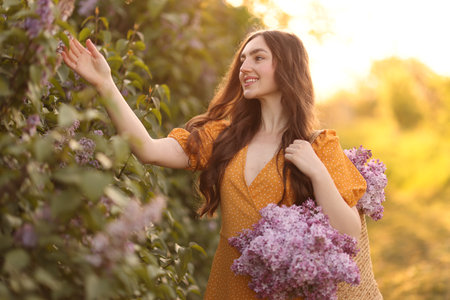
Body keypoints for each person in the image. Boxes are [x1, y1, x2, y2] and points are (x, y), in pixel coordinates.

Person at [61, 29, 380, 299]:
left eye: (258, 57)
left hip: (285, 289)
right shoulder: (224, 138)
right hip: (229, 283)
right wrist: (106, 84)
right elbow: (148, 149)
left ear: (288, 68)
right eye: (243, 58)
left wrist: (317, 171)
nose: (244, 66)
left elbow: (349, 231)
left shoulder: (319, 145)